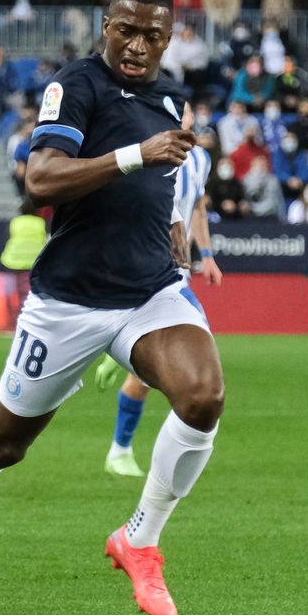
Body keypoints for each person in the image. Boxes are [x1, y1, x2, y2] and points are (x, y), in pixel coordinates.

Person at [0, 0, 224, 615]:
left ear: (170, 37)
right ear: (106, 26)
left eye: (153, 33)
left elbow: (167, 184)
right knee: (3, 445)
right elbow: (40, 177)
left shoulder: (172, 100)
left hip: (149, 289)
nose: (137, 44)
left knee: (203, 395)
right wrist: (134, 155)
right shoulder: (76, 86)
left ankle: (140, 540)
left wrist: (176, 232)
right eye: (127, 29)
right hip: (68, 301)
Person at [94, 103, 223, 477]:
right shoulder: (143, 150)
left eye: (185, 112)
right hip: (142, 267)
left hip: (176, 272)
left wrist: (208, 255)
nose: (182, 118)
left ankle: (121, 449)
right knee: (195, 354)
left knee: (159, 372)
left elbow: (197, 207)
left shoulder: (200, 160)